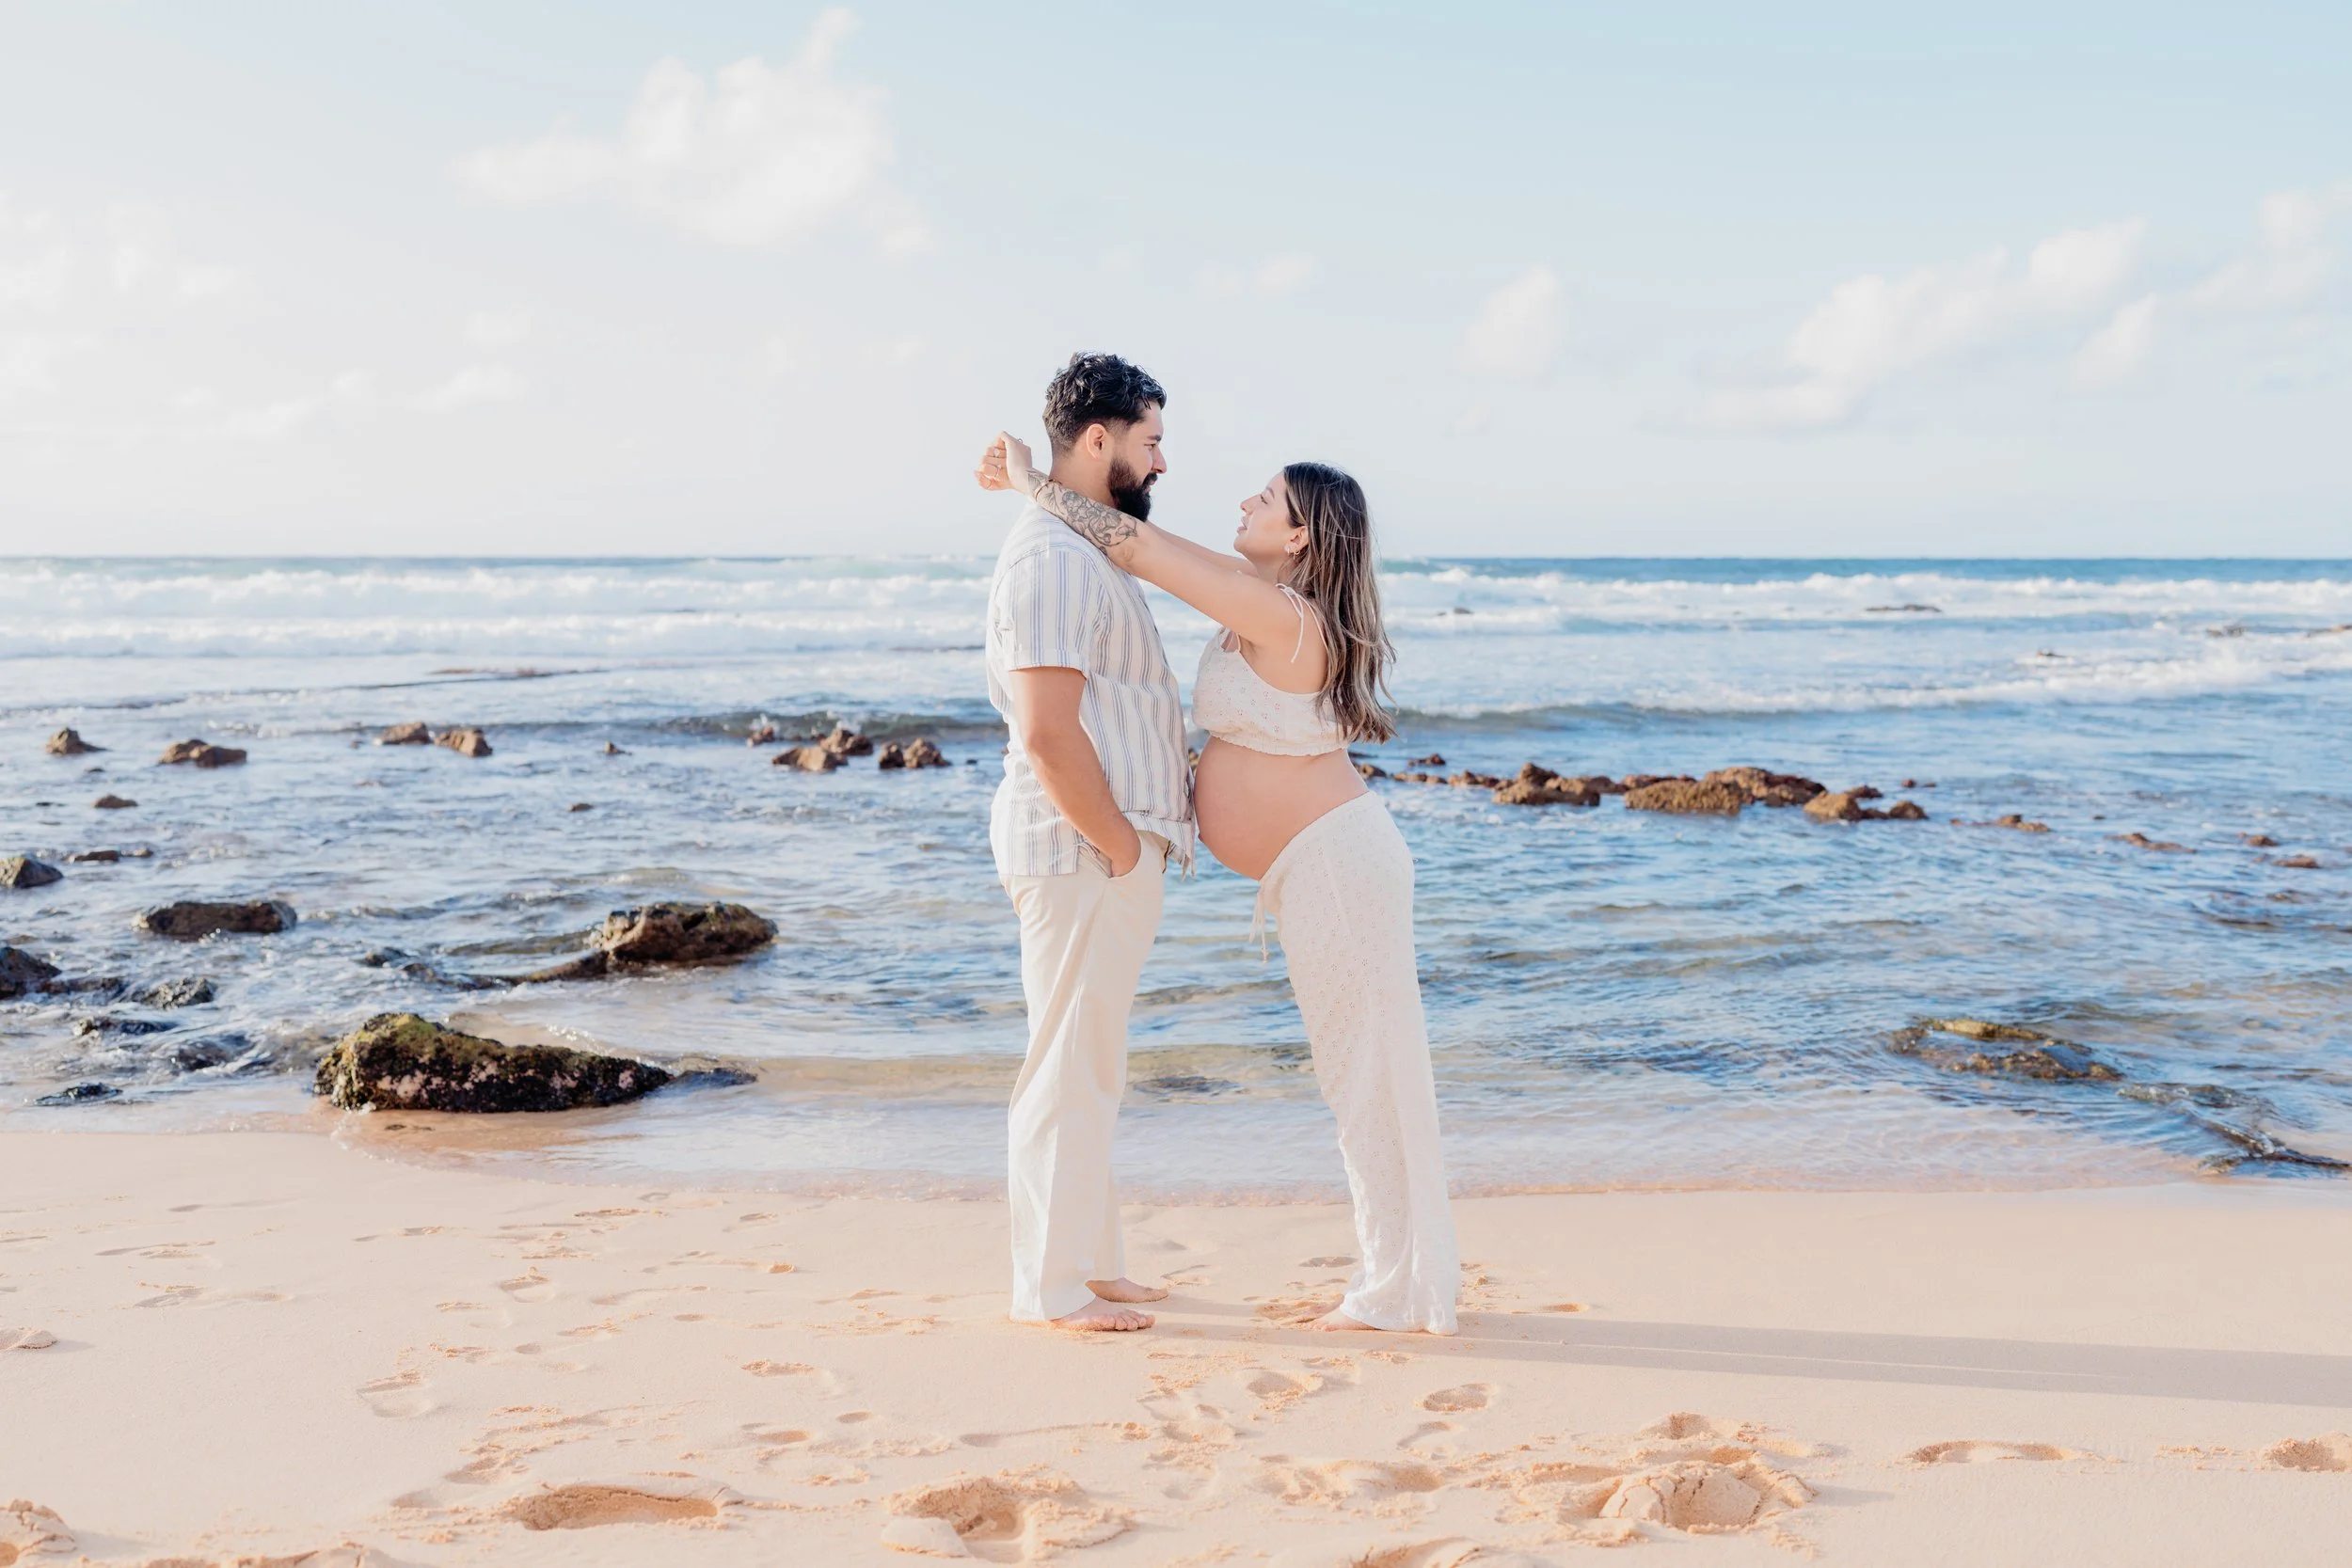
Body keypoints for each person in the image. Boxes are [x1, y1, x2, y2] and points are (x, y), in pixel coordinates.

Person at [977, 428, 1460, 1335]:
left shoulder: (1289, 620)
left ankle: (1393, 1289)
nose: (1243, 504)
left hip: (1337, 863)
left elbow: (1139, 547)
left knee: (1371, 1076)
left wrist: (1028, 481)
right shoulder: (1262, 600)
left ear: (1302, 535)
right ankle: (1393, 1276)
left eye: (1265, 498)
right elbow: (1151, 548)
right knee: (1354, 1072)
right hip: (1314, 865)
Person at [982, 354, 1194, 1332]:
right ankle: (1049, 1287)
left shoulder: (1079, 545)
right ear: (1098, 439)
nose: (1160, 462)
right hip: (1079, 849)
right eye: (1149, 442)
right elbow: (1045, 727)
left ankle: (1090, 1261)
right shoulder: (1050, 559)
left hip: (1099, 849)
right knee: (1066, 1063)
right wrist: (1115, 843)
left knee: (1090, 1056)